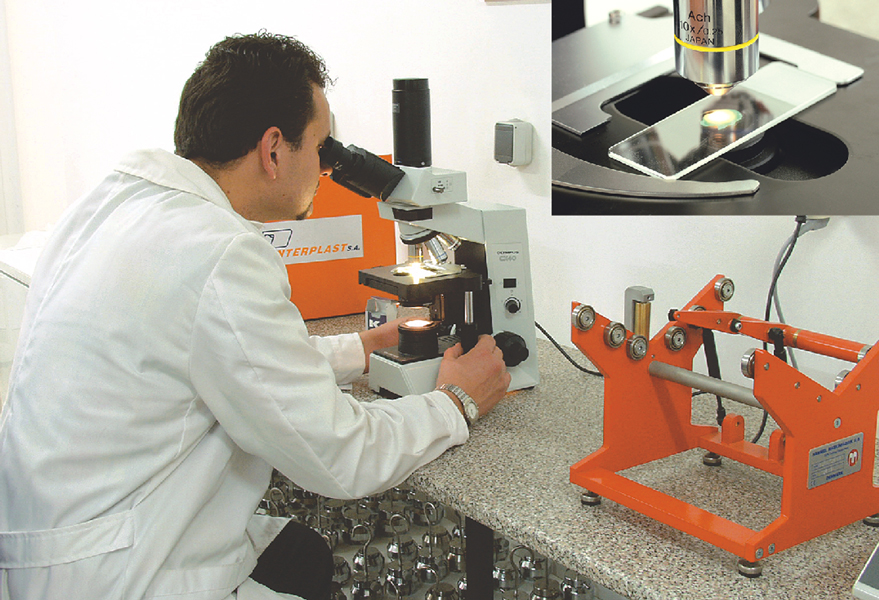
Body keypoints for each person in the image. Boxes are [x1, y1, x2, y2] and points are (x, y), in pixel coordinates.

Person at [0, 32, 510, 600]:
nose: (327, 167)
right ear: (273, 150)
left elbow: (224, 350)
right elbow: (339, 453)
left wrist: (362, 349)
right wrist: (455, 403)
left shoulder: (113, 203)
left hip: (54, 548)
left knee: (302, 551)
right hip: (124, 575)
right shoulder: (220, 252)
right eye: (321, 147)